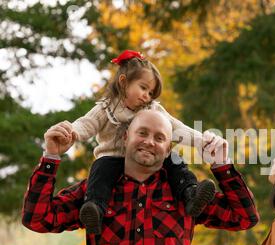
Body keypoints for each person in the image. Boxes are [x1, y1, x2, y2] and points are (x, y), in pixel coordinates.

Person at [22, 109, 259, 245]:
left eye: (159, 138)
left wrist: (222, 165)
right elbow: (38, 219)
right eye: (142, 133)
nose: (149, 142)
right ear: (125, 138)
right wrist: (51, 157)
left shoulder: (187, 196)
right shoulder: (95, 193)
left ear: (168, 149)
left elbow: (244, 217)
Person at [63, 49, 215, 235]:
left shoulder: (153, 109)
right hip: (113, 158)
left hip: (147, 158)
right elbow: (87, 123)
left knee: (175, 161)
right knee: (100, 172)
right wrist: (72, 132)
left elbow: (175, 128)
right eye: (143, 88)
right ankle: (95, 208)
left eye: (151, 93)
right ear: (124, 82)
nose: (147, 96)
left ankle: (191, 195)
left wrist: (200, 140)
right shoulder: (106, 108)